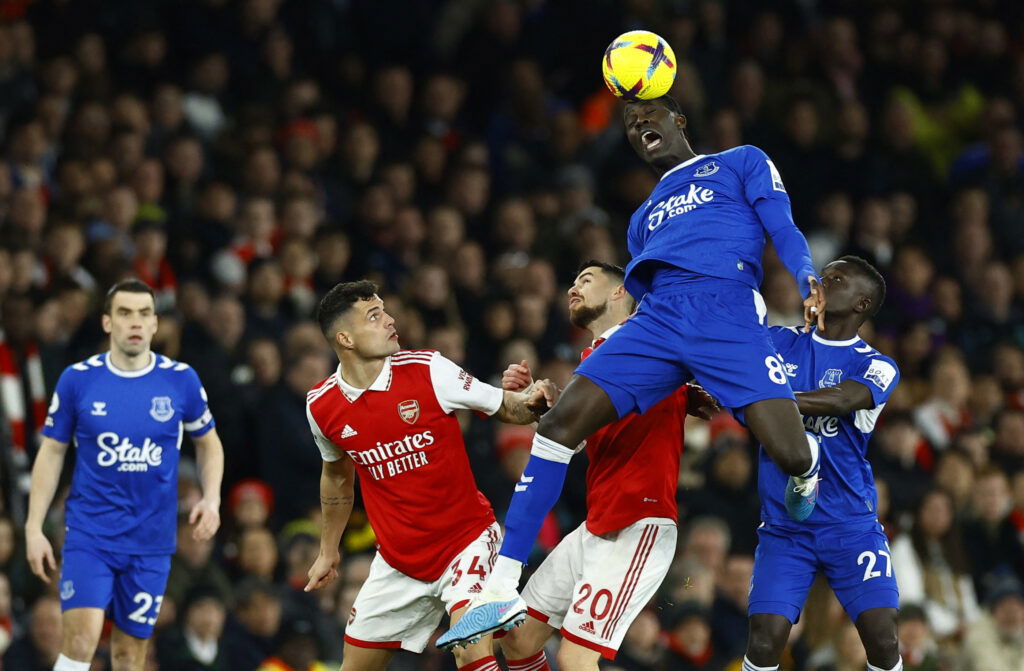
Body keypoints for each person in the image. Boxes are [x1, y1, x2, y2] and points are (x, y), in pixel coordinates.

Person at [440, 93, 827, 648]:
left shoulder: (740, 160)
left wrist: (806, 274)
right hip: (660, 319)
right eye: (629, 122)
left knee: (791, 451)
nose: (640, 123)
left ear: (679, 121)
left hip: (726, 312)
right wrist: (678, 379)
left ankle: (808, 466)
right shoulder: (643, 218)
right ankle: (501, 585)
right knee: (556, 429)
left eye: (649, 115)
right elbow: (640, 306)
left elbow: (782, 227)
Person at [302, 280, 557, 671]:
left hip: (466, 541)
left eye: (385, 310)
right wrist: (327, 550)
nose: (389, 320)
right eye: (374, 316)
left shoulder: (427, 369)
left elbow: (506, 408)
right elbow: (337, 478)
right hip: (398, 562)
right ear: (345, 338)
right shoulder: (322, 406)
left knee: (469, 645)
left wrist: (533, 402)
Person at [497, 261, 718, 671]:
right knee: (519, 641)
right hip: (596, 524)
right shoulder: (594, 359)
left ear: (620, 293)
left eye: (586, 280)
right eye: (572, 281)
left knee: (575, 658)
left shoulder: (650, 341)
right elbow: (575, 437)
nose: (572, 289)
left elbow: (703, 358)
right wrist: (545, 402)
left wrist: (693, 384)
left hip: (638, 522)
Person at [24, 279, 224, 671]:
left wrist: (212, 498)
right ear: (107, 323)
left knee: (129, 655)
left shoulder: (180, 380)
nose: (135, 321)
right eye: (125, 312)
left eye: (144, 313)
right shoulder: (78, 379)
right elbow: (51, 452)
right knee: (81, 641)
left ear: (154, 324)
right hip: (90, 534)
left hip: (151, 540)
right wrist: (33, 527)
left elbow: (209, 442)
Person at [744, 257, 903, 671]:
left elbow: (843, 399)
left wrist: (772, 399)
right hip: (785, 526)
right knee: (764, 640)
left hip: (849, 524)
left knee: (884, 639)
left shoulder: (878, 365)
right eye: (822, 274)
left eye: (836, 278)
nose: (821, 281)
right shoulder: (777, 340)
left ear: (861, 304)